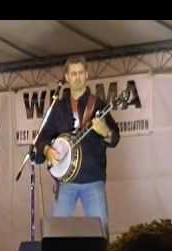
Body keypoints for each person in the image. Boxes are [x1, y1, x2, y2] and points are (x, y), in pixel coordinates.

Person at [35, 56, 120, 240]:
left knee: (100, 234)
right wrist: (47, 151)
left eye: (81, 73)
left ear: (87, 75)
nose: (77, 77)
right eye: (73, 73)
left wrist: (104, 130)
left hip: (92, 180)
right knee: (55, 235)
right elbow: (41, 140)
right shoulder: (56, 107)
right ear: (66, 77)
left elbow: (115, 138)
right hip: (65, 183)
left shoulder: (98, 104)